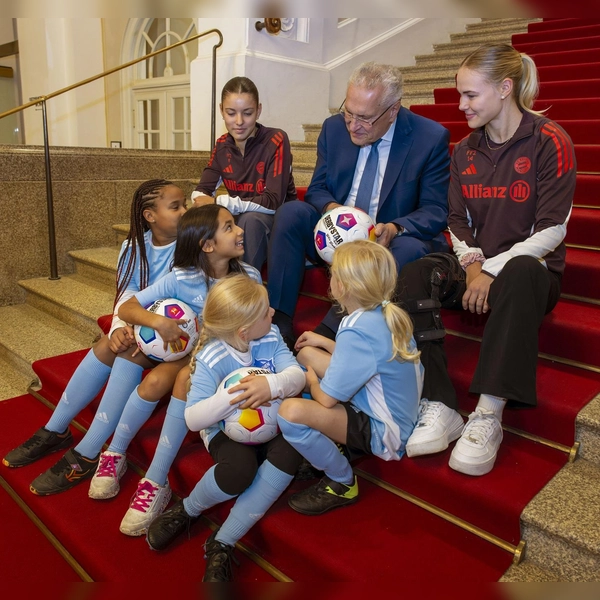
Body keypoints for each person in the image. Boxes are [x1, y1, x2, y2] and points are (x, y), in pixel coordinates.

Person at [399, 43, 576, 476]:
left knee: (518, 270)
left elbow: (553, 229)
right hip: (477, 267)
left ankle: (488, 414)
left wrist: (492, 270)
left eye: (470, 95)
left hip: (530, 275)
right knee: (416, 272)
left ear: (504, 88)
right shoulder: (464, 151)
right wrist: (476, 269)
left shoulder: (549, 139)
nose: (460, 105)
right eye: (460, 94)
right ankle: (440, 403)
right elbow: (457, 223)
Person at [27, 204, 261, 496]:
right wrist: (158, 323)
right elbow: (128, 306)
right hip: (179, 349)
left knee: (155, 380)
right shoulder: (182, 277)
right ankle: (106, 454)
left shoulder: (247, 278)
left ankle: (139, 468)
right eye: (229, 226)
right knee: (126, 349)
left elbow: (254, 330)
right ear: (208, 245)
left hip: (214, 356)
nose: (240, 230)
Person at [2, 179, 186, 471]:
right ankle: (56, 429)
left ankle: (89, 451)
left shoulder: (189, 247)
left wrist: (138, 331)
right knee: (107, 345)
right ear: (150, 216)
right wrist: (117, 329)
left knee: (128, 351)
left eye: (185, 204)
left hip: (175, 333)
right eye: (176, 206)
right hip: (144, 323)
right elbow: (126, 293)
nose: (184, 211)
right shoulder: (135, 246)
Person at [267, 61, 451, 348]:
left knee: (410, 248)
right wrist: (333, 212)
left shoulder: (429, 138)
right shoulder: (333, 129)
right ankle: (280, 323)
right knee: (291, 212)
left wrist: (394, 228)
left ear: (393, 110)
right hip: (336, 233)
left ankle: (330, 331)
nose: (353, 125)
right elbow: (316, 189)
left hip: (384, 242)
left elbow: (436, 210)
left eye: (364, 118)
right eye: (348, 113)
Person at [146, 275, 305, 582]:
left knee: (291, 450)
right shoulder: (211, 356)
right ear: (243, 330)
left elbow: (296, 375)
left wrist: (271, 384)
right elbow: (193, 419)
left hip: (271, 425)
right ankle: (188, 510)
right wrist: (227, 399)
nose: (273, 312)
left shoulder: (270, 335)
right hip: (222, 430)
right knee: (239, 469)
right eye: (265, 310)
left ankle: (223, 541)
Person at [276, 240, 422, 515]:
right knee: (307, 353)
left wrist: (310, 381)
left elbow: (327, 399)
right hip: (399, 415)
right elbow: (368, 359)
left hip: (388, 433)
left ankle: (342, 482)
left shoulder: (355, 328)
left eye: (333, 274)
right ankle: (332, 444)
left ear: (342, 286)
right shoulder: (383, 313)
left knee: (290, 412)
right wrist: (324, 343)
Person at [192, 76, 297, 271]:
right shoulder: (222, 144)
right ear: (221, 110)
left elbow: (273, 202)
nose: (239, 122)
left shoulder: (276, 139)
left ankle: (241, 288)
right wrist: (200, 200)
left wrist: (219, 203)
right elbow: (202, 191)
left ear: (259, 110)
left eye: (247, 113)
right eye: (231, 113)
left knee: (251, 219)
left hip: (277, 221)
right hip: (240, 218)